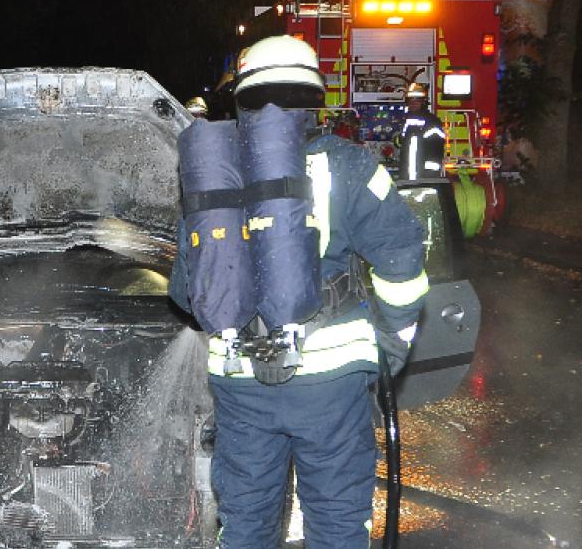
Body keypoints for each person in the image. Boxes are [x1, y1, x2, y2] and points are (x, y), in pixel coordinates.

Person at [170, 35, 428, 548]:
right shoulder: (351, 167)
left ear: (242, 96)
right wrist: (391, 351)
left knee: (245, 524)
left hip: (241, 384)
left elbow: (185, 291)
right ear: (314, 97)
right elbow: (402, 261)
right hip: (331, 385)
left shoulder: (214, 175)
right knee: (335, 522)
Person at [397, 81, 446, 182]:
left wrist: (429, 175)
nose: (413, 103)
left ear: (423, 101)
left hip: (425, 176)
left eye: (417, 100)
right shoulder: (405, 121)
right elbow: (402, 144)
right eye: (411, 100)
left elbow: (436, 149)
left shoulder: (432, 121)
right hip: (406, 176)